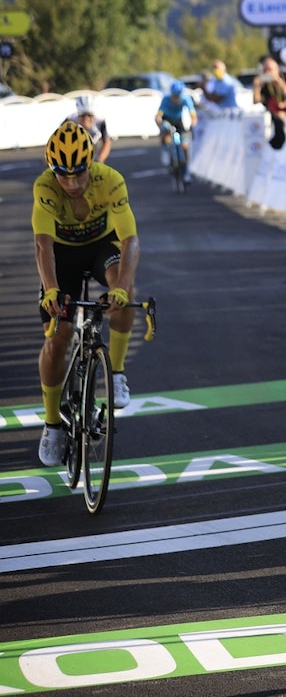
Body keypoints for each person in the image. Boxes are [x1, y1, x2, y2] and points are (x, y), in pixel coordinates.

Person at [33, 120, 139, 466]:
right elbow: (43, 244)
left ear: (90, 163)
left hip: (99, 248)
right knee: (59, 335)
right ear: (54, 171)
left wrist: (121, 288)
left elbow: (130, 240)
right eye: (65, 176)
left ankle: (118, 372)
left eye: (79, 174)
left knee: (124, 286)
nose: (73, 184)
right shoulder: (45, 187)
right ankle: (52, 426)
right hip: (61, 256)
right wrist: (51, 290)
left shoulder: (110, 180)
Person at [156, 81, 198, 181]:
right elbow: (158, 116)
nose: (177, 99)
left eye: (178, 96)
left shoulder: (186, 99)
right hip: (167, 119)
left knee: (184, 145)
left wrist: (192, 125)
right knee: (166, 136)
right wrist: (160, 124)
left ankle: (186, 171)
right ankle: (166, 154)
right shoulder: (166, 99)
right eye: (175, 96)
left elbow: (193, 115)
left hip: (178, 121)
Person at [70, 95, 112, 163]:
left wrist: (100, 160)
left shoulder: (100, 120)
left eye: (89, 115)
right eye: (82, 115)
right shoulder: (70, 120)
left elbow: (107, 142)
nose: (86, 119)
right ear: (78, 114)